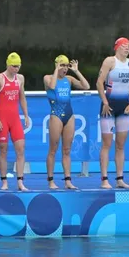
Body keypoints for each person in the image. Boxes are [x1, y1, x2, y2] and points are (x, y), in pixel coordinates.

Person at [96, 37, 129, 189]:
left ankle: (120, 178)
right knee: (107, 143)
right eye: (124, 46)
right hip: (109, 106)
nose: (127, 48)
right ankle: (104, 179)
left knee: (121, 145)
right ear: (117, 48)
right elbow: (99, 82)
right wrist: (105, 102)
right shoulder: (110, 61)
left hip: (124, 107)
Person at [44, 55, 90, 190]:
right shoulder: (47, 78)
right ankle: (51, 180)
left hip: (69, 115)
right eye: (62, 65)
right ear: (56, 65)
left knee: (67, 150)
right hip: (56, 115)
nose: (64, 68)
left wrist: (76, 71)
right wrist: (56, 69)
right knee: (53, 149)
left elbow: (86, 86)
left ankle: (68, 180)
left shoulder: (68, 80)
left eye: (66, 66)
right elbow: (52, 85)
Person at [0, 53, 29, 191]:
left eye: (18, 66)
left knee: (21, 149)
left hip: (15, 119)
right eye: (14, 66)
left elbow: (22, 98)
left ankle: (20, 182)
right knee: (3, 150)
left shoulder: (20, 79)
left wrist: (26, 115)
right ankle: (4, 181)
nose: (16, 69)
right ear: (7, 65)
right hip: (3, 119)